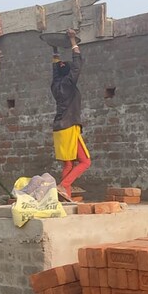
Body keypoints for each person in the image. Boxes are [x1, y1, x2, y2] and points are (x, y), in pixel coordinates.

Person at [51, 28, 90, 202]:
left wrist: (55, 49)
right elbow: (77, 65)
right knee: (85, 161)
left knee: (68, 163)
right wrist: (73, 41)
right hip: (68, 127)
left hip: (58, 129)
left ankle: (64, 195)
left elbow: (55, 69)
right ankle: (63, 185)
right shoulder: (68, 83)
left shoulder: (55, 84)